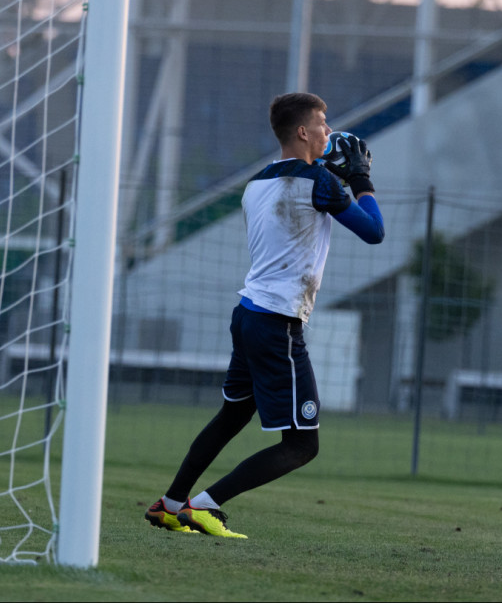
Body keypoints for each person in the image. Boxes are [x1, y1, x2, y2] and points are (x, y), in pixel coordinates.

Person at [144, 92, 385, 538]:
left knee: (231, 416)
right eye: (323, 124)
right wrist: (361, 179)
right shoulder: (319, 183)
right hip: (278, 323)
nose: (328, 132)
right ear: (302, 131)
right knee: (301, 445)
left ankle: (170, 503)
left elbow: (300, 194)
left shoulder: (257, 181)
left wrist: (333, 175)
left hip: (249, 314)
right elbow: (374, 232)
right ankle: (200, 506)